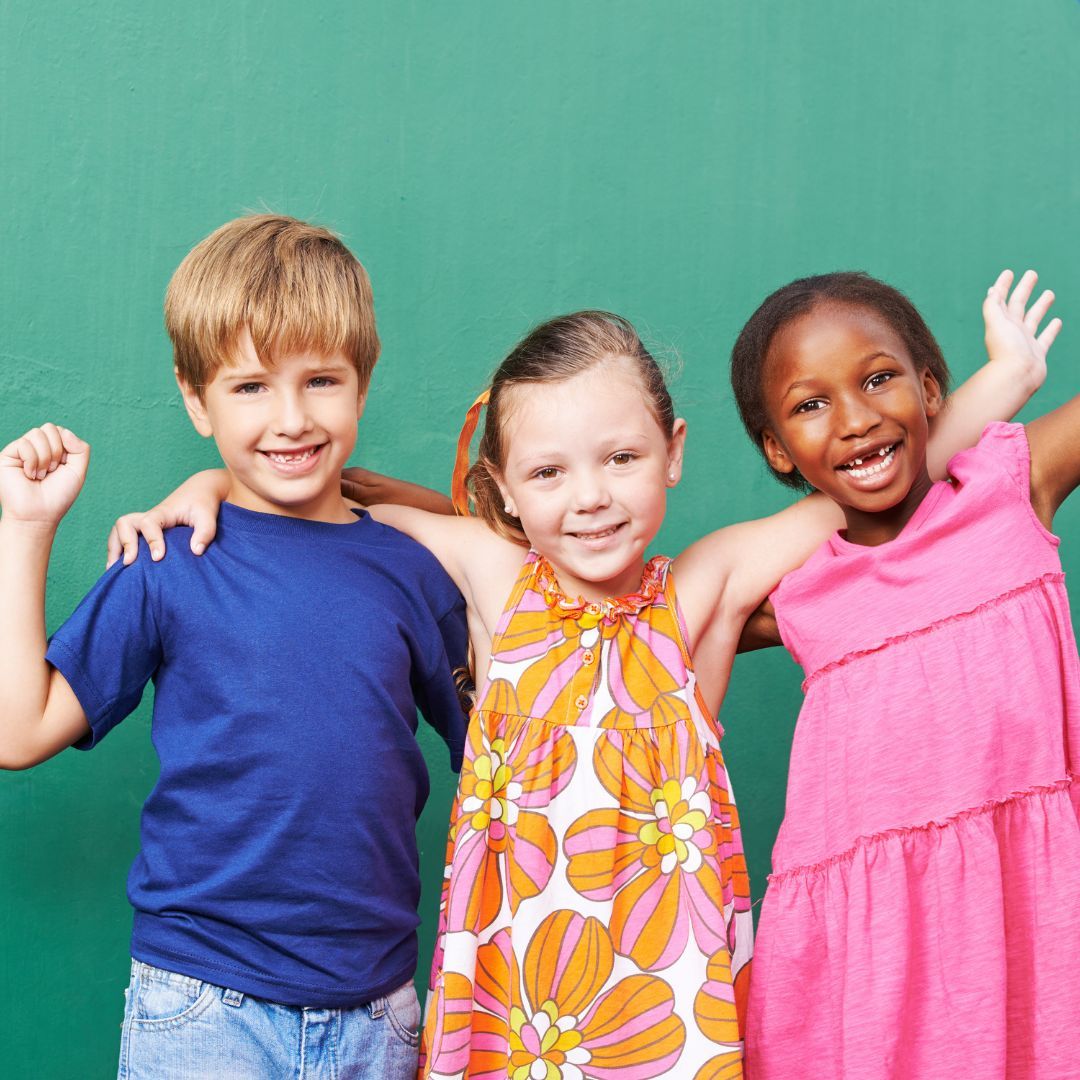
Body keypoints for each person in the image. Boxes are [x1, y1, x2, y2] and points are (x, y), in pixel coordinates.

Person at [112, 271, 1056, 1079]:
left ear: (674, 452)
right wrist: (203, 492)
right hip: (513, 1010)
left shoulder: (700, 593)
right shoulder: (494, 578)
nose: (593, 496)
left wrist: (1006, 378)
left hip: (670, 1017)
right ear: (505, 495)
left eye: (622, 458)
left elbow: (875, 477)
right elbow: (313, 505)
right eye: (551, 473)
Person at [0, 214, 468, 1080]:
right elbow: (16, 732)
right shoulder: (167, 562)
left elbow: (501, 763)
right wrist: (24, 527)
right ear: (194, 397)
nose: (291, 418)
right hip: (202, 1007)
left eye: (321, 380)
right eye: (250, 387)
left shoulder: (416, 568)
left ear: (362, 383)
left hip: (379, 1011)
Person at [729, 270, 1078, 1077]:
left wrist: (1011, 373)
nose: (854, 420)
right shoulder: (802, 588)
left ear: (929, 389)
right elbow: (620, 607)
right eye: (810, 404)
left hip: (1033, 915)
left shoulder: (1011, 484)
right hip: (870, 959)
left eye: (878, 378)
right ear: (777, 448)